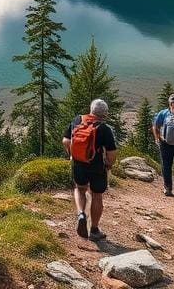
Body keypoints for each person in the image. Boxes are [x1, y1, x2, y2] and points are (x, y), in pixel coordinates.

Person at [63, 98, 118, 241]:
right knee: (97, 195)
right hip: (97, 166)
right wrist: (109, 165)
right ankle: (94, 229)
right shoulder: (104, 129)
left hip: (78, 162)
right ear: (104, 114)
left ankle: (81, 213)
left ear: (91, 110)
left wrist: (72, 155)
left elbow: (66, 141)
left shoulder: (77, 120)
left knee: (80, 189)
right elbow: (111, 153)